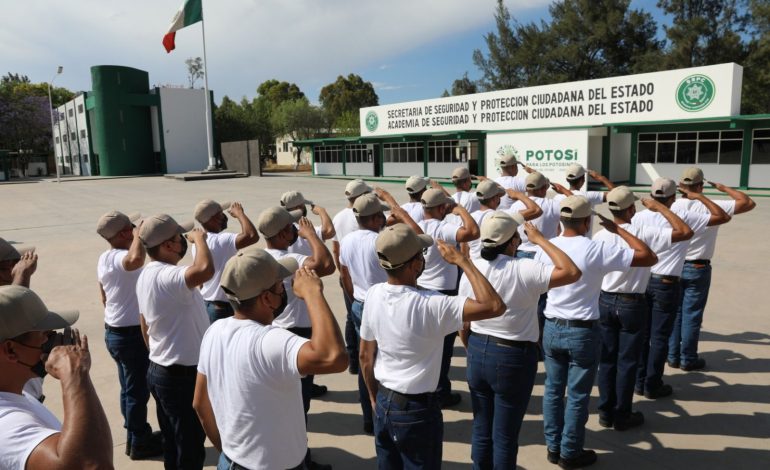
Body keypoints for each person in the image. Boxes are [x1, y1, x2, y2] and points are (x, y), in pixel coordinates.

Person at [359, 224, 506, 469]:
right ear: (414, 264)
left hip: (385, 399)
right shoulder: (433, 304)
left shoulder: (373, 294)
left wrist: (374, 398)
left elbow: (365, 356)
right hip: (416, 409)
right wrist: (464, 262)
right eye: (421, 255)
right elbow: (494, 306)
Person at [193, 247, 347, 470]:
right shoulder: (271, 340)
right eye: (279, 285)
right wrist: (313, 293)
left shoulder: (214, 331)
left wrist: (230, 454)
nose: (284, 289)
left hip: (231, 462)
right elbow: (334, 357)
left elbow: (200, 404)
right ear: (267, 298)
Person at [536, 196, 657, 469]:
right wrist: (620, 231)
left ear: (562, 220)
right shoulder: (595, 249)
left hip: (552, 326)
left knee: (553, 391)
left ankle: (553, 447)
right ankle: (570, 451)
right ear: (586, 221)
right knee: (577, 395)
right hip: (582, 331)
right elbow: (649, 256)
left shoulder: (547, 247)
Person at [459, 212, 581, 468]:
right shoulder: (525, 268)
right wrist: (541, 240)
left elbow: (464, 321)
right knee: (504, 435)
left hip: (479, 347)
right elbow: (571, 272)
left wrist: (471, 347)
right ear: (513, 242)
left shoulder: (473, 267)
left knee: (481, 428)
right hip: (512, 355)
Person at [593, 187, 692, 431]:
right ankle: (622, 414)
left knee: (607, 360)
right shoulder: (643, 232)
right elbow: (685, 232)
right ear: (630, 209)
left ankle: (605, 412)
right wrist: (660, 207)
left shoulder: (600, 236)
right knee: (627, 362)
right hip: (631, 303)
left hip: (605, 300)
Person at [632, 178, 729, 399]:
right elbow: (723, 217)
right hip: (666, 284)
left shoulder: (638, 217)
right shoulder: (683, 217)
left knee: (644, 335)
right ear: (673, 198)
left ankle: (639, 382)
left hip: (643, 281)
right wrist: (699, 197)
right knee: (659, 337)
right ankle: (652, 384)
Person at [0, 285, 113, 470]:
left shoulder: (15, 387)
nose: (55, 342)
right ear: (10, 350)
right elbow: (91, 464)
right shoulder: (6, 426)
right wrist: (75, 373)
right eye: (46, 334)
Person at [258, 206, 336, 469]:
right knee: (298, 405)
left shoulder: (262, 258)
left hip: (276, 331)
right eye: (290, 228)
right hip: (297, 334)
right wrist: (310, 234)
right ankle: (300, 460)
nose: (295, 229)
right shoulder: (290, 260)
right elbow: (326, 265)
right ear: (282, 234)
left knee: (285, 402)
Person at [339, 189, 421, 434]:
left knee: (366, 359)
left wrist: (354, 298)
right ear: (375, 218)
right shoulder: (380, 241)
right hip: (384, 305)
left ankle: (369, 416)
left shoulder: (347, 241)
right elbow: (418, 237)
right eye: (381, 216)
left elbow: (344, 275)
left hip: (360, 303)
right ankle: (389, 413)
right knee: (388, 361)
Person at [136, 214, 213, 470]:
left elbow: (144, 323)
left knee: (174, 443)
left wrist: (157, 354)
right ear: (168, 245)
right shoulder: (167, 276)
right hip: (180, 377)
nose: (183, 240)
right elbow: (205, 270)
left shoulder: (147, 274)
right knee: (189, 449)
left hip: (163, 369)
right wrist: (200, 240)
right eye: (179, 237)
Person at [668, 167, 755, 371]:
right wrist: (723, 188)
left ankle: (673, 356)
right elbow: (747, 202)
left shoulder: (671, 206)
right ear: (700, 186)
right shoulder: (712, 206)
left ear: (681, 185)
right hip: (697, 267)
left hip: (674, 266)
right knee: (692, 315)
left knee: (675, 313)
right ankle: (688, 358)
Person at [96, 211, 163, 459]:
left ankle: (135, 436)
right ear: (125, 232)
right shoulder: (118, 258)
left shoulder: (104, 257)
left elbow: (103, 295)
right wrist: (138, 236)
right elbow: (135, 260)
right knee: (137, 392)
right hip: (129, 336)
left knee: (128, 389)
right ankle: (139, 443)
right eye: (131, 228)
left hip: (115, 332)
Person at [418, 188, 480, 408]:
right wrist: (460, 210)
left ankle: (428, 387)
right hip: (443, 291)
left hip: (422, 288)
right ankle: (440, 392)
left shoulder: (418, 225)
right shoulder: (441, 228)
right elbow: (473, 232)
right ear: (440, 208)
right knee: (443, 347)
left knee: (427, 344)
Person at [192, 199, 259, 323]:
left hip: (207, 304)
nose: (224, 216)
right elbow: (251, 236)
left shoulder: (198, 243)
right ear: (213, 219)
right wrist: (240, 214)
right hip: (222, 309)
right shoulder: (221, 240)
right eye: (220, 214)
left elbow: (200, 278)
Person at [331, 179, 373, 374]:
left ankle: (354, 361)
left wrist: (343, 273)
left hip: (347, 273)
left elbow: (335, 249)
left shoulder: (338, 217)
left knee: (352, 317)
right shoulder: (364, 214)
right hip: (366, 276)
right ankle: (367, 359)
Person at [0, 238, 40, 402]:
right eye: (15, 263)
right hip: (13, 402)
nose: (22, 265)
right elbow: (9, 316)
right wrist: (21, 276)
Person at [552, 164, 616, 237]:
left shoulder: (557, 198)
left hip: (563, 239)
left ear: (567, 179)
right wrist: (602, 178)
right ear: (583, 180)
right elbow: (617, 194)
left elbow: (557, 225)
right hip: (585, 241)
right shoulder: (588, 196)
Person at [280, 191, 336, 257]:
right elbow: (329, 232)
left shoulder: (279, 228)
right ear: (298, 207)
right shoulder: (305, 229)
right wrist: (322, 211)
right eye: (303, 205)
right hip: (306, 263)